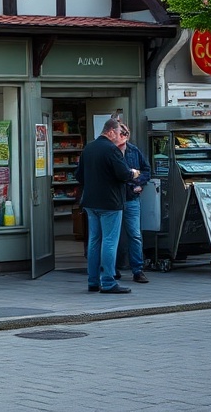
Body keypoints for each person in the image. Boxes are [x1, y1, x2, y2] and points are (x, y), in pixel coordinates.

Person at [75, 118, 140, 295]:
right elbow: (123, 174)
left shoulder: (88, 148)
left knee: (94, 241)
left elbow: (78, 175)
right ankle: (109, 282)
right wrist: (133, 173)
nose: (120, 136)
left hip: (90, 202)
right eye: (119, 133)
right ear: (111, 131)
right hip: (110, 203)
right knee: (110, 241)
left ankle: (93, 281)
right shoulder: (112, 150)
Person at [115, 124, 151, 284]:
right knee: (112, 237)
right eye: (121, 133)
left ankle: (138, 270)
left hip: (131, 199)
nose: (123, 135)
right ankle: (112, 269)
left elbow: (147, 170)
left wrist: (139, 183)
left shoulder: (133, 150)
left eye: (125, 133)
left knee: (135, 235)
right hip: (114, 199)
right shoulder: (109, 152)